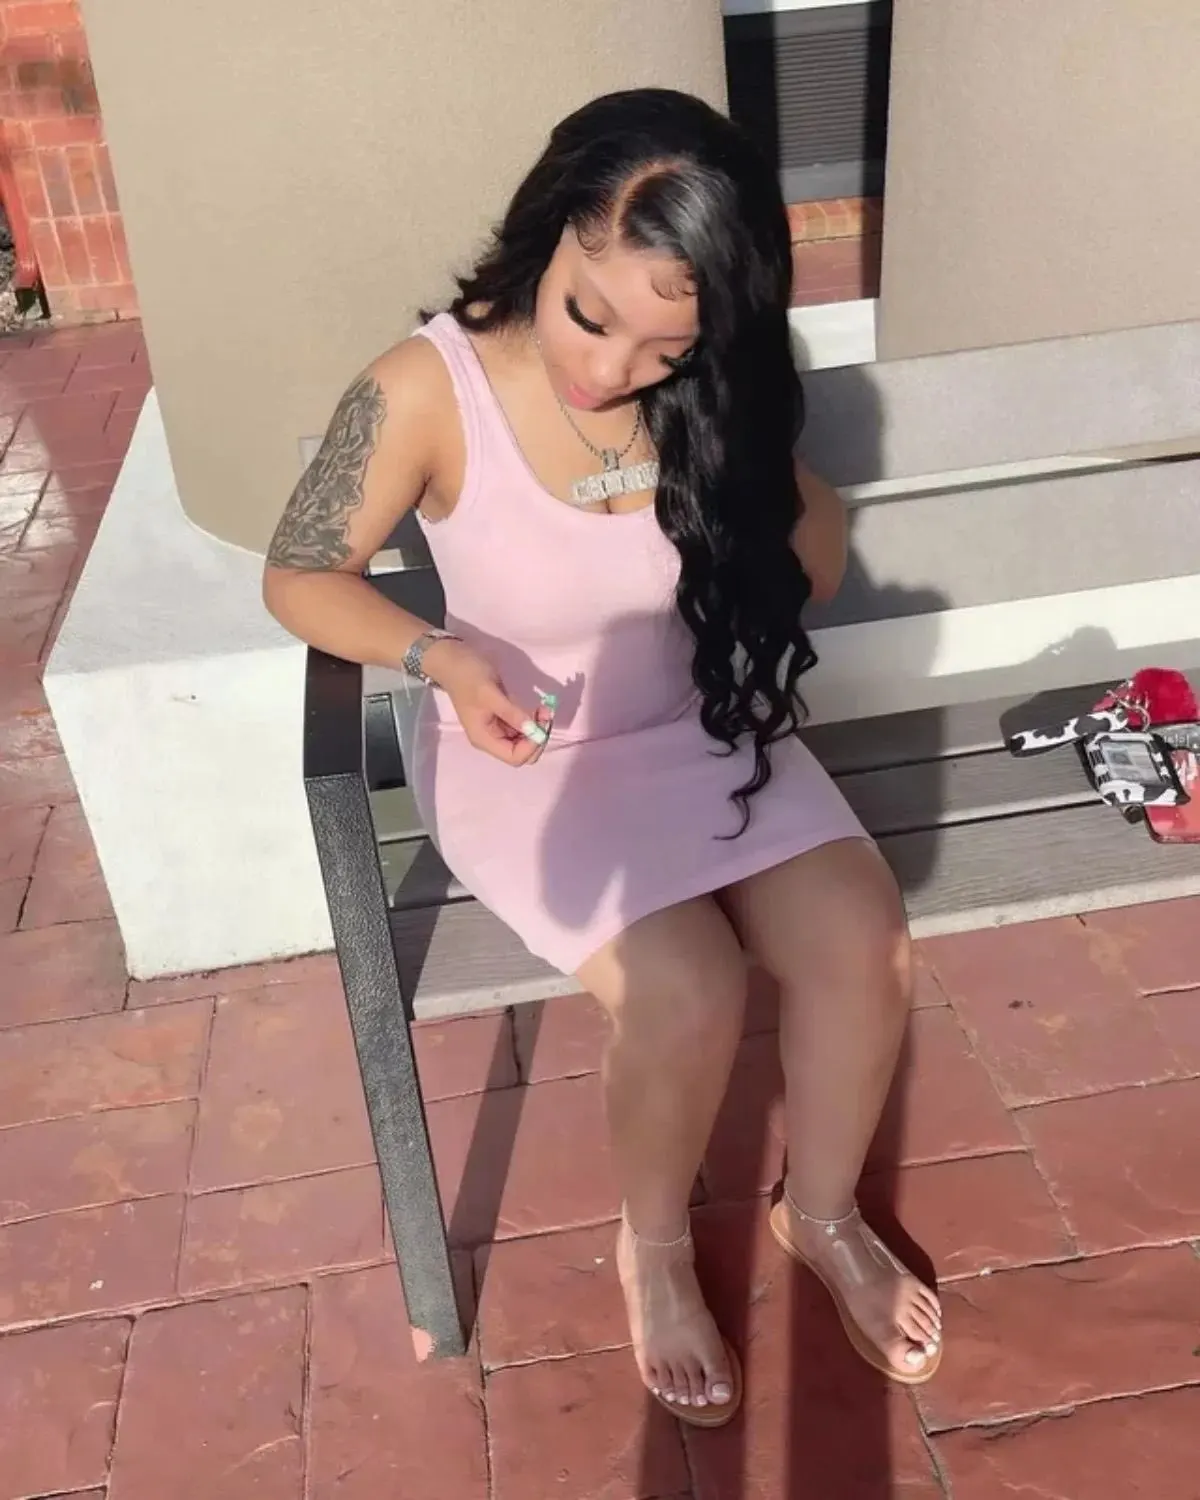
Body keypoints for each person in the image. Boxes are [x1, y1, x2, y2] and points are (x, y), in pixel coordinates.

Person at [263, 87, 942, 1427]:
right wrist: (437, 655)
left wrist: (750, 440)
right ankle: (656, 1247)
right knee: (686, 990)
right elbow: (299, 575)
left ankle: (821, 1215)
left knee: (866, 942)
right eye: (589, 314)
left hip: (702, 726)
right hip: (530, 755)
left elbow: (811, 566)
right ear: (547, 232)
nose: (613, 367)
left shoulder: (705, 384)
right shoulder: (427, 387)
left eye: (663, 345)